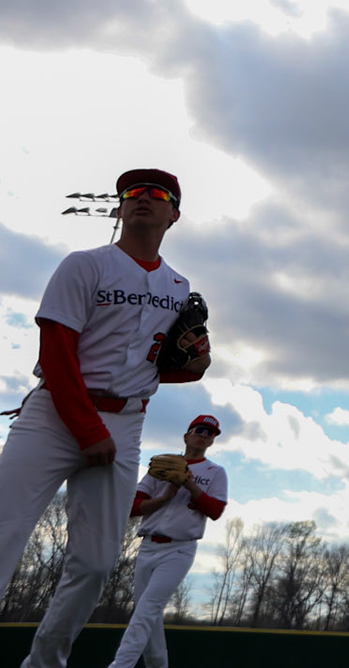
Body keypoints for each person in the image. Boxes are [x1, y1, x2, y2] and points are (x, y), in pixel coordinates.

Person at [0, 168, 210, 668]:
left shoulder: (178, 287)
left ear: (173, 215)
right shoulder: (84, 265)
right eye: (132, 193)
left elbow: (166, 366)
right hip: (55, 413)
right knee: (3, 532)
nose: (142, 198)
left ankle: (45, 662)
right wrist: (87, 429)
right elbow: (56, 351)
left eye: (157, 194)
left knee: (95, 565)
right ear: (118, 209)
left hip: (126, 421)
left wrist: (196, 364)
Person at [108, 414, 228, 668]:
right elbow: (132, 507)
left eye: (211, 433)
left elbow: (215, 511)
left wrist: (191, 486)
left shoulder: (215, 472)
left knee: (146, 610)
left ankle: (120, 665)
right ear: (186, 436)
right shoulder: (162, 466)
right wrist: (163, 498)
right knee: (148, 615)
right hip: (148, 545)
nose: (205, 435)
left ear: (212, 442)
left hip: (179, 549)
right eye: (200, 430)